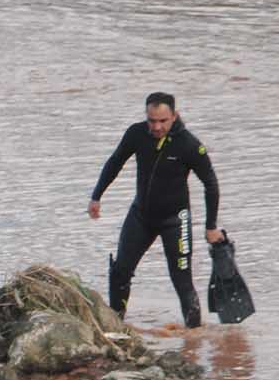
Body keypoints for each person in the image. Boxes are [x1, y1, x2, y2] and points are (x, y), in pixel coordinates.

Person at [87, 92, 222, 327]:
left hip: (175, 220)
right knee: (120, 271)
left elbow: (210, 183)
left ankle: (193, 336)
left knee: (182, 279)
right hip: (141, 216)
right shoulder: (136, 134)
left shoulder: (189, 145)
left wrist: (211, 226)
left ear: (174, 116)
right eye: (152, 120)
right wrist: (96, 196)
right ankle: (116, 326)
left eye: (163, 121)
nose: (157, 126)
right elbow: (115, 162)